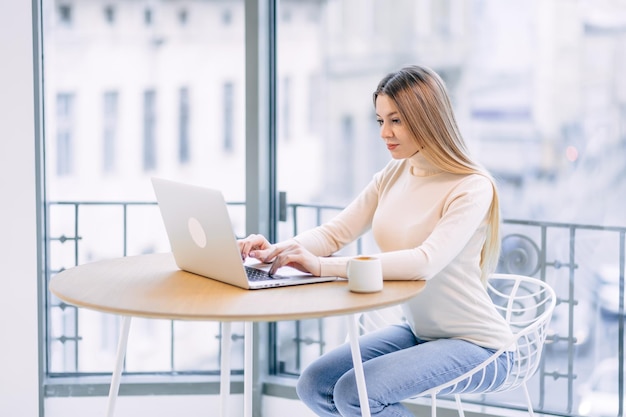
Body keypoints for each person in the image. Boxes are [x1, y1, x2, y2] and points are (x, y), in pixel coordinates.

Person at [237, 64, 514, 417]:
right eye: (380, 121)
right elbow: (335, 232)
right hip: (419, 331)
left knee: (354, 395)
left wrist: (322, 266)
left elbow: (424, 262)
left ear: (426, 118)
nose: (385, 132)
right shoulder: (394, 172)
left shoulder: (472, 186)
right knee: (314, 385)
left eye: (396, 120)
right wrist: (278, 251)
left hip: (479, 344)